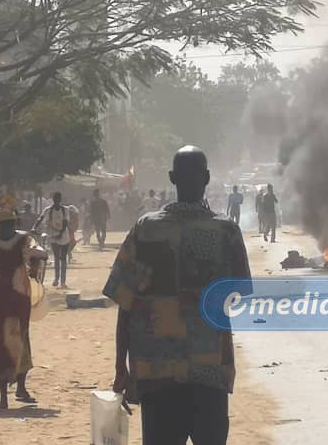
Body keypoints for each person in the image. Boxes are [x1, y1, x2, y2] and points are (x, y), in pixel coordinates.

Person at [105, 146, 249, 445]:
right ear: (207, 178)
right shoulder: (227, 232)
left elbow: (125, 302)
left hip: (157, 373)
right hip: (210, 371)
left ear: (172, 178)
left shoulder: (146, 229)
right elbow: (241, 297)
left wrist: (121, 367)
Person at [0, 195, 47, 410]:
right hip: (19, 296)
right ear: (13, 223)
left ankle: (4, 397)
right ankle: (21, 388)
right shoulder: (24, 239)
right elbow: (42, 253)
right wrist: (31, 263)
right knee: (20, 338)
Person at [33, 192, 71, 288]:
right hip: (53, 237)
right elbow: (40, 218)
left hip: (64, 237)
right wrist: (34, 227)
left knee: (63, 259)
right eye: (55, 199)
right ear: (53, 199)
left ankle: (63, 281)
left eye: (58, 199)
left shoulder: (65, 210)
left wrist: (60, 234)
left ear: (60, 199)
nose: (57, 200)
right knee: (56, 258)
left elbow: (65, 223)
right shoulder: (48, 210)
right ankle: (56, 279)